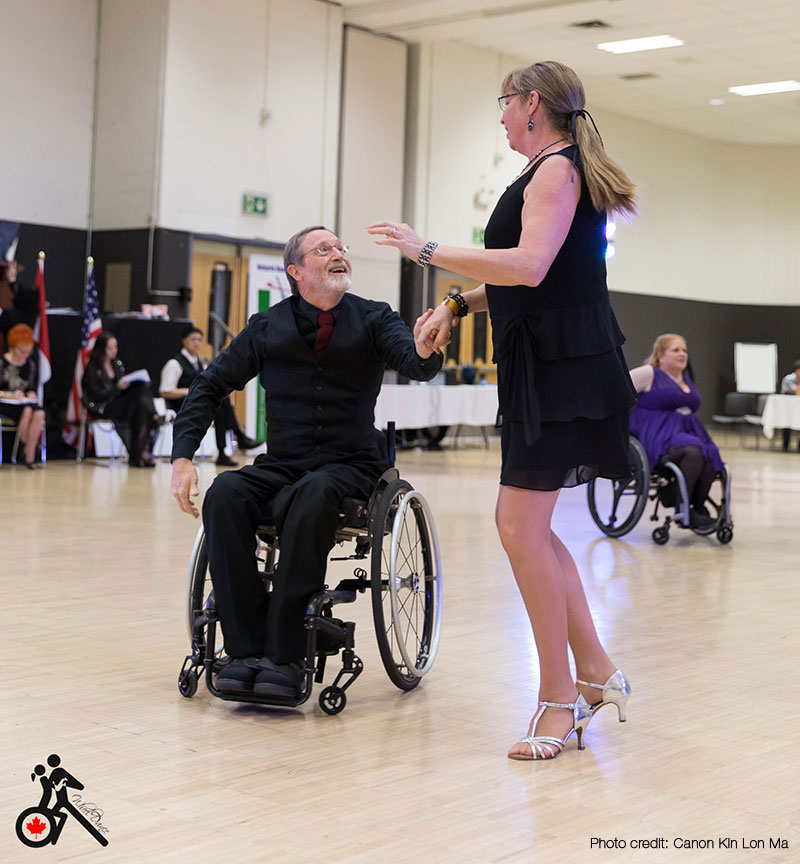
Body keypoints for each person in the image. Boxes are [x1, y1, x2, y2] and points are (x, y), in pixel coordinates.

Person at [368, 60, 636, 761]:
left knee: (520, 527)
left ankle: (559, 695)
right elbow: (528, 273)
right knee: (530, 532)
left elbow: (529, 267)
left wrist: (423, 249)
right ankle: (598, 674)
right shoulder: (552, 169)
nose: (499, 116)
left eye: (505, 103)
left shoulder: (556, 171)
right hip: (548, 364)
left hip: (564, 371)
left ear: (533, 105)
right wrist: (456, 302)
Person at [170, 226, 442, 699]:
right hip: (285, 461)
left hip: (352, 463)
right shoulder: (267, 327)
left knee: (311, 495)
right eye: (325, 249)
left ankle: (286, 652)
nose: (339, 254)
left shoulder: (375, 318)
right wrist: (182, 456)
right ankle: (245, 647)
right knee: (226, 494)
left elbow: (414, 362)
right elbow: (211, 385)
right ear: (296, 271)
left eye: (341, 247)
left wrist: (424, 348)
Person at [629, 334, 723, 527]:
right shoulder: (649, 373)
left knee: (711, 454)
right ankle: (681, 504)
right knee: (693, 453)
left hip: (688, 431)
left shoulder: (686, 380)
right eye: (676, 350)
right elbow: (619, 390)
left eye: (684, 350)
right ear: (661, 355)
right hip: (657, 434)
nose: (682, 354)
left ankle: (696, 508)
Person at [159, 324, 263, 467]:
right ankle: (237, 439)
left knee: (221, 402)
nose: (196, 343)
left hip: (199, 402)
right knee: (220, 403)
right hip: (181, 405)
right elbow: (165, 391)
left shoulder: (201, 363)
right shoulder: (174, 364)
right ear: (184, 341)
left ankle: (227, 448)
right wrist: (190, 391)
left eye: (199, 340)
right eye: (193, 339)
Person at [81, 332, 162, 467]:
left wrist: (126, 385)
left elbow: (122, 384)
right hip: (103, 406)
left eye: (115, 347)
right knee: (140, 407)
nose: (114, 351)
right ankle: (152, 419)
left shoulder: (117, 364)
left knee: (141, 392)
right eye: (110, 348)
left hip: (120, 403)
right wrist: (117, 388)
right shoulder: (92, 368)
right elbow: (95, 394)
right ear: (102, 349)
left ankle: (139, 454)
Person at [0, 323, 45, 467]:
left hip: (24, 402)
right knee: (27, 411)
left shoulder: (30, 364)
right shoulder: (2, 364)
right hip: (6, 403)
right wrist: (10, 395)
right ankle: (28, 450)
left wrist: (31, 394)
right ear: (13, 346)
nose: (25, 355)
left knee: (38, 413)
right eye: (22, 351)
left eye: (28, 351)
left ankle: (29, 449)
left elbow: (31, 387)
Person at [779, 359, 800, 451]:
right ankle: (785, 445)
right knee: (787, 421)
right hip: (787, 409)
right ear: (797, 371)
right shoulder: (789, 379)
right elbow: (796, 392)